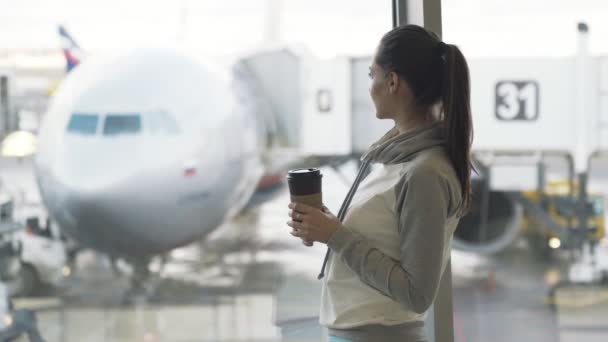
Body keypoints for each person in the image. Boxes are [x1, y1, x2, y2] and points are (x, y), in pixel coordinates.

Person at [286, 24, 474, 342]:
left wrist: (336, 235)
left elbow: (417, 293)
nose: (369, 86)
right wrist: (326, 226)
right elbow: (380, 239)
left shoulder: (424, 172)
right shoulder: (395, 159)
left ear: (392, 81)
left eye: (372, 75)